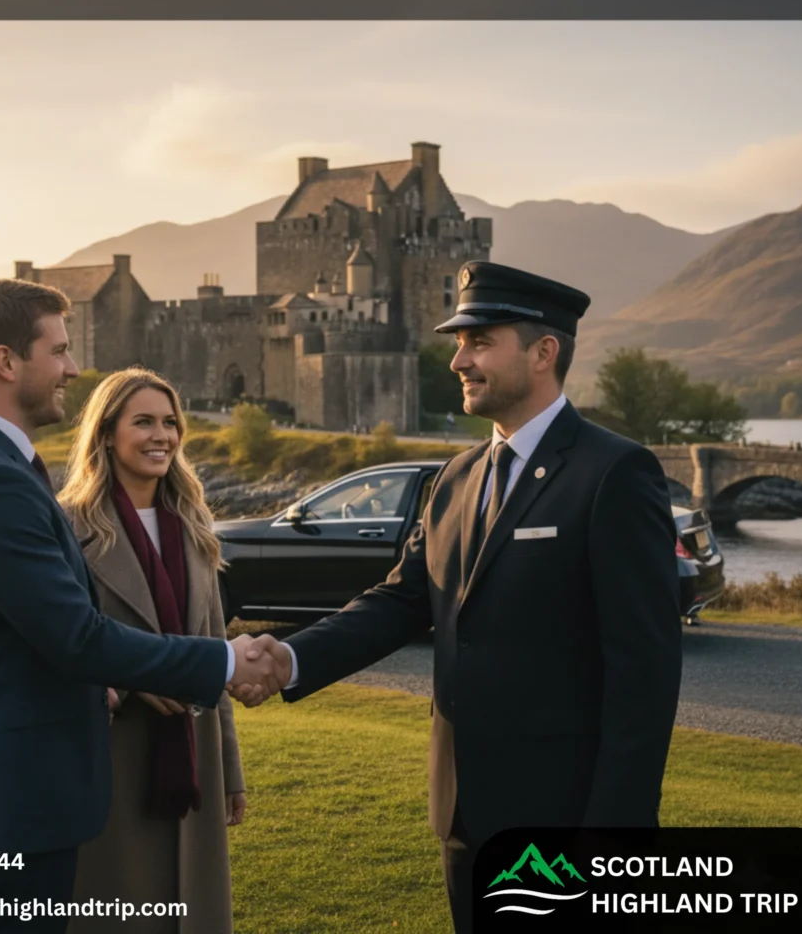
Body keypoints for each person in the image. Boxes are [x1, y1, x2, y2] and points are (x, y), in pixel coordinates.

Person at [233, 261, 683, 932]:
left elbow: (644, 672)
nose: (458, 361)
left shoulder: (613, 473)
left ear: (542, 352)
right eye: (458, 342)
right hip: (463, 812)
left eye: (479, 342)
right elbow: (401, 600)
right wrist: (289, 660)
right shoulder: (458, 476)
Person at [0, 279, 280, 933]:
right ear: (6, 362)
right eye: (59, 350)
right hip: (13, 800)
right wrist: (223, 662)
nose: (73, 368)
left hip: (17, 792)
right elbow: (78, 636)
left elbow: (34, 636)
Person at [58, 368, 244, 933]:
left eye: (170, 422)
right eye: (143, 422)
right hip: (112, 758)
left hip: (194, 755)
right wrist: (125, 681)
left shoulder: (196, 527)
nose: (161, 435)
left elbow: (213, 649)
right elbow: (55, 648)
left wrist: (230, 770)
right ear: (107, 433)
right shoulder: (67, 528)